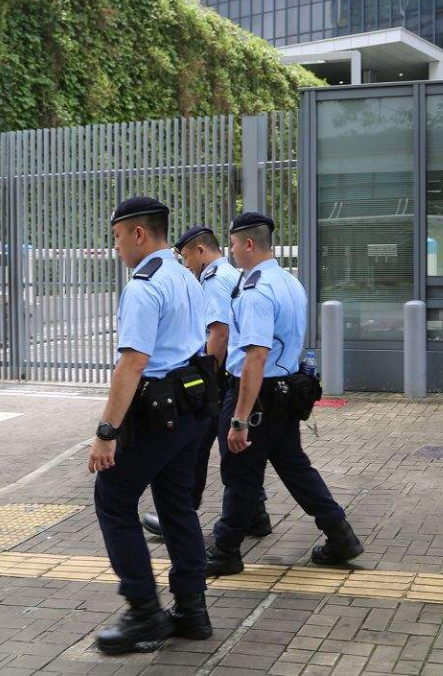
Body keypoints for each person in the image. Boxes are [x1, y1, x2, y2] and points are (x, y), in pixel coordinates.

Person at [205, 211, 364, 576]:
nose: (230, 252)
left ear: (248, 243)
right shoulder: (290, 282)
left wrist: (239, 419)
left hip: (258, 396)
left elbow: (255, 359)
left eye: (232, 245)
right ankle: (341, 534)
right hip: (285, 392)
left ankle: (226, 548)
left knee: (240, 472)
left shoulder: (255, 290)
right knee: (294, 468)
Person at [89, 197, 213, 654]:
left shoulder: (143, 285)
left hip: (157, 412)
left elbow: (133, 364)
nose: (117, 247)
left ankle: (143, 612)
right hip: (191, 409)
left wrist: (107, 433)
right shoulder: (185, 274)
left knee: (113, 498)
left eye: (118, 237)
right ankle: (191, 611)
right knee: (177, 506)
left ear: (138, 233)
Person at [140, 225, 272, 540]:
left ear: (200, 251)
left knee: (196, 448)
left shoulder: (213, 281)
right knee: (229, 451)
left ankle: (179, 513)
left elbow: (219, 332)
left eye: (186, 258)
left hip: (221, 377)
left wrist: (206, 379)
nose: (186, 265)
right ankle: (255, 513)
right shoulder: (230, 274)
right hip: (232, 375)